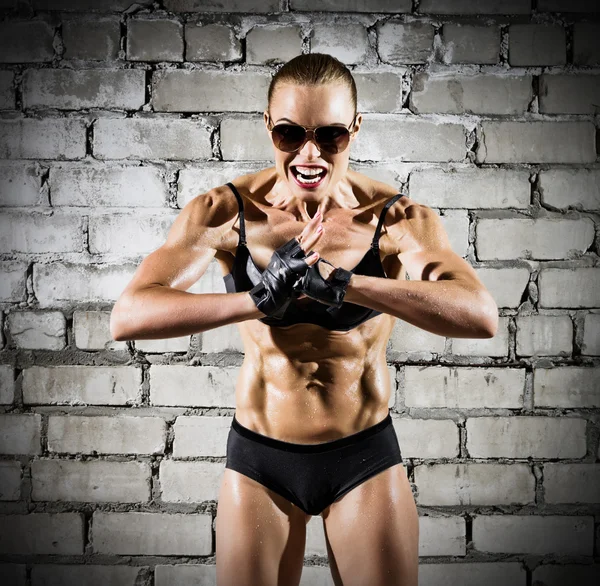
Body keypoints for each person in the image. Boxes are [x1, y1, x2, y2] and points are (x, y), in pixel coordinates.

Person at [110, 52, 498, 586]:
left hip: (363, 455)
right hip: (260, 458)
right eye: (290, 134)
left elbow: (480, 315)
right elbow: (128, 314)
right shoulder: (226, 212)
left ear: (355, 130)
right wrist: (259, 297)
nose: (309, 153)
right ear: (269, 127)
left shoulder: (395, 219)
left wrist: (347, 284)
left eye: (330, 136)